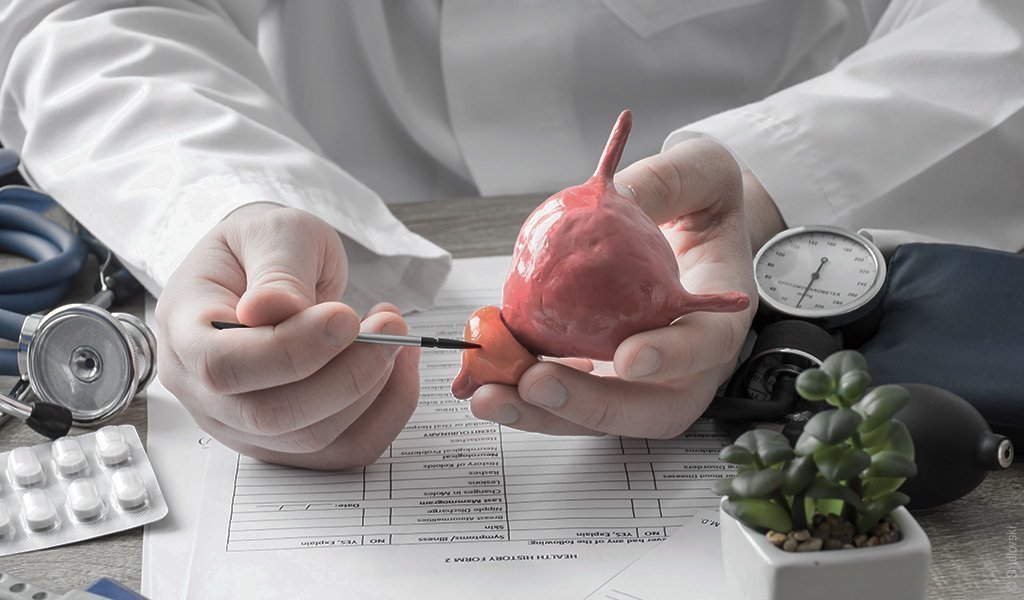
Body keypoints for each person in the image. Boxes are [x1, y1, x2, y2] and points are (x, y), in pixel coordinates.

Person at [1, 1, 1022, 469]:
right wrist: (215, 206)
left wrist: (770, 176)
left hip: (816, 230)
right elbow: (84, 15)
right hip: (343, 218)